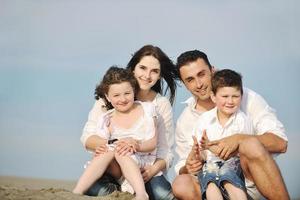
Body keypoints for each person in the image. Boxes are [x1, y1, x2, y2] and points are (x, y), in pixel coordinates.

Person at [172, 50, 289, 200]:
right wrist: (188, 166)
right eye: (190, 79)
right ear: (184, 83)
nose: (199, 84)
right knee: (181, 183)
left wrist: (240, 139)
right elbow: (183, 167)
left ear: (212, 71)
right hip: (211, 183)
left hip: (249, 181)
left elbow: (281, 143)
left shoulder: (246, 98)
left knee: (250, 144)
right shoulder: (186, 119)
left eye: (202, 74)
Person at [80, 45, 177, 200]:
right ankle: (121, 194)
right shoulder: (110, 97)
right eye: (143, 68)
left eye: (154, 71)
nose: (147, 75)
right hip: (112, 168)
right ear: (133, 69)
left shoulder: (161, 104)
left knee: (163, 195)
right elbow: (87, 137)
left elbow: (166, 151)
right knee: (91, 186)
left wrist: (152, 170)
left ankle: (137, 192)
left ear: (159, 76)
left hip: (145, 169)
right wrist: (114, 144)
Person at [73, 66, 158, 200]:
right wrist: (101, 148)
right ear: (107, 96)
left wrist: (136, 145)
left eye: (127, 93)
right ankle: (77, 191)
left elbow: (153, 143)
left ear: (134, 90)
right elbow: (104, 144)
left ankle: (141, 193)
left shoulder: (147, 109)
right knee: (109, 150)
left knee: (121, 151)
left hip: (140, 161)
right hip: (116, 169)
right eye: (116, 95)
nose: (123, 99)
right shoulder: (107, 118)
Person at [193, 69, 252, 200]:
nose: (230, 101)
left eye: (235, 96)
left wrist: (210, 146)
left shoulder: (243, 120)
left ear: (241, 96)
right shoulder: (205, 120)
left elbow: (242, 151)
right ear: (213, 97)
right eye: (225, 96)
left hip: (233, 164)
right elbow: (203, 152)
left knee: (231, 182)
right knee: (210, 186)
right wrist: (199, 153)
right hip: (210, 165)